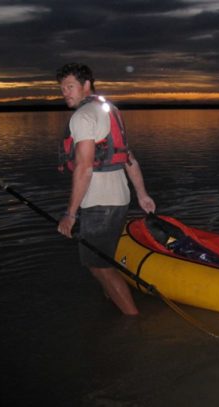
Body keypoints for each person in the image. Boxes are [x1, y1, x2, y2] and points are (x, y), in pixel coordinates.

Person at [55, 63, 156, 315]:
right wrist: (141, 194)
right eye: (62, 88)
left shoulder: (82, 116)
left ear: (86, 85)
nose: (65, 93)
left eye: (70, 87)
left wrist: (70, 213)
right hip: (120, 197)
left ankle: (132, 320)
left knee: (99, 265)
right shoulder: (110, 110)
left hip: (100, 203)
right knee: (96, 260)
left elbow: (84, 168)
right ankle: (113, 302)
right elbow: (129, 158)